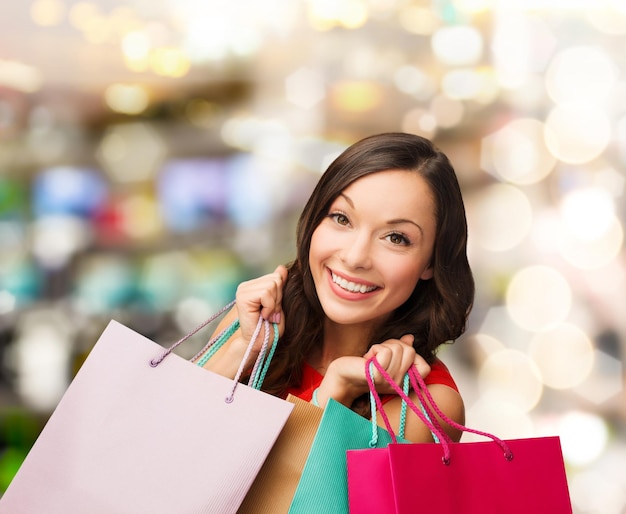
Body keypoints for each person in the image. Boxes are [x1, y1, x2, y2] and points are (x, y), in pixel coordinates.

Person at [201, 132, 474, 443]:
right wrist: (242, 348)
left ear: (431, 263)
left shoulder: (425, 404)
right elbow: (162, 437)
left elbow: (286, 491)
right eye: (342, 218)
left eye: (396, 237)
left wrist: (333, 393)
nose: (355, 257)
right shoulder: (253, 326)